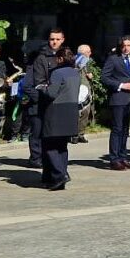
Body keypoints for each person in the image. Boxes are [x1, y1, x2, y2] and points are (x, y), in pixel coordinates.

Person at [38, 47, 81, 190]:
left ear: (61, 59)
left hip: (56, 111)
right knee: (62, 147)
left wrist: (42, 88)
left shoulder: (57, 73)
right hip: (71, 111)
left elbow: (51, 93)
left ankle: (59, 175)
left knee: (50, 146)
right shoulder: (75, 73)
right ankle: (62, 174)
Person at [23, 28, 65, 167]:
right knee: (37, 132)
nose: (54, 42)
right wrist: (41, 97)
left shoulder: (64, 57)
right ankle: (35, 158)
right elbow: (29, 84)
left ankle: (48, 159)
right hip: (39, 103)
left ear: (62, 40)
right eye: (52, 39)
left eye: (57, 39)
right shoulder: (39, 58)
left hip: (55, 104)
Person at [101, 36, 130, 168]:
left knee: (125, 129)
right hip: (118, 98)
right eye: (124, 46)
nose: (126, 48)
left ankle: (123, 156)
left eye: (129, 45)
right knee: (117, 129)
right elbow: (104, 78)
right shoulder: (113, 59)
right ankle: (114, 158)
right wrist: (121, 85)